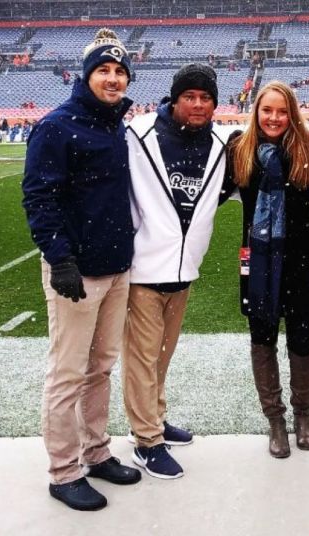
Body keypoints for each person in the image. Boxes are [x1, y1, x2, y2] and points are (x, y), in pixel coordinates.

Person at [21, 28, 141, 511]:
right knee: (68, 373)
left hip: (116, 267)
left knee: (101, 368)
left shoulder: (115, 125)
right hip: (78, 272)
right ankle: (63, 470)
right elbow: (39, 196)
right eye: (103, 70)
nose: (112, 79)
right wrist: (60, 257)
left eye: (119, 72)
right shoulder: (57, 126)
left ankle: (96, 451)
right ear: (86, 75)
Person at [123, 63, 234, 479]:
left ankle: (155, 417)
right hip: (141, 269)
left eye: (206, 98)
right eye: (190, 96)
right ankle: (146, 441)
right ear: (175, 98)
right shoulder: (139, 133)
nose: (198, 104)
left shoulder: (222, 142)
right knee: (141, 357)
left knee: (162, 355)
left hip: (184, 270)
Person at [229, 81, 309, 458]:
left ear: (292, 114)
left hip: (302, 258)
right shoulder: (240, 150)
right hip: (259, 261)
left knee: (303, 342)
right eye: (267, 110)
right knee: (263, 338)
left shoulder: (307, 148)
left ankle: (303, 415)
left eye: (282, 111)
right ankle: (275, 419)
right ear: (256, 112)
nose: (274, 118)